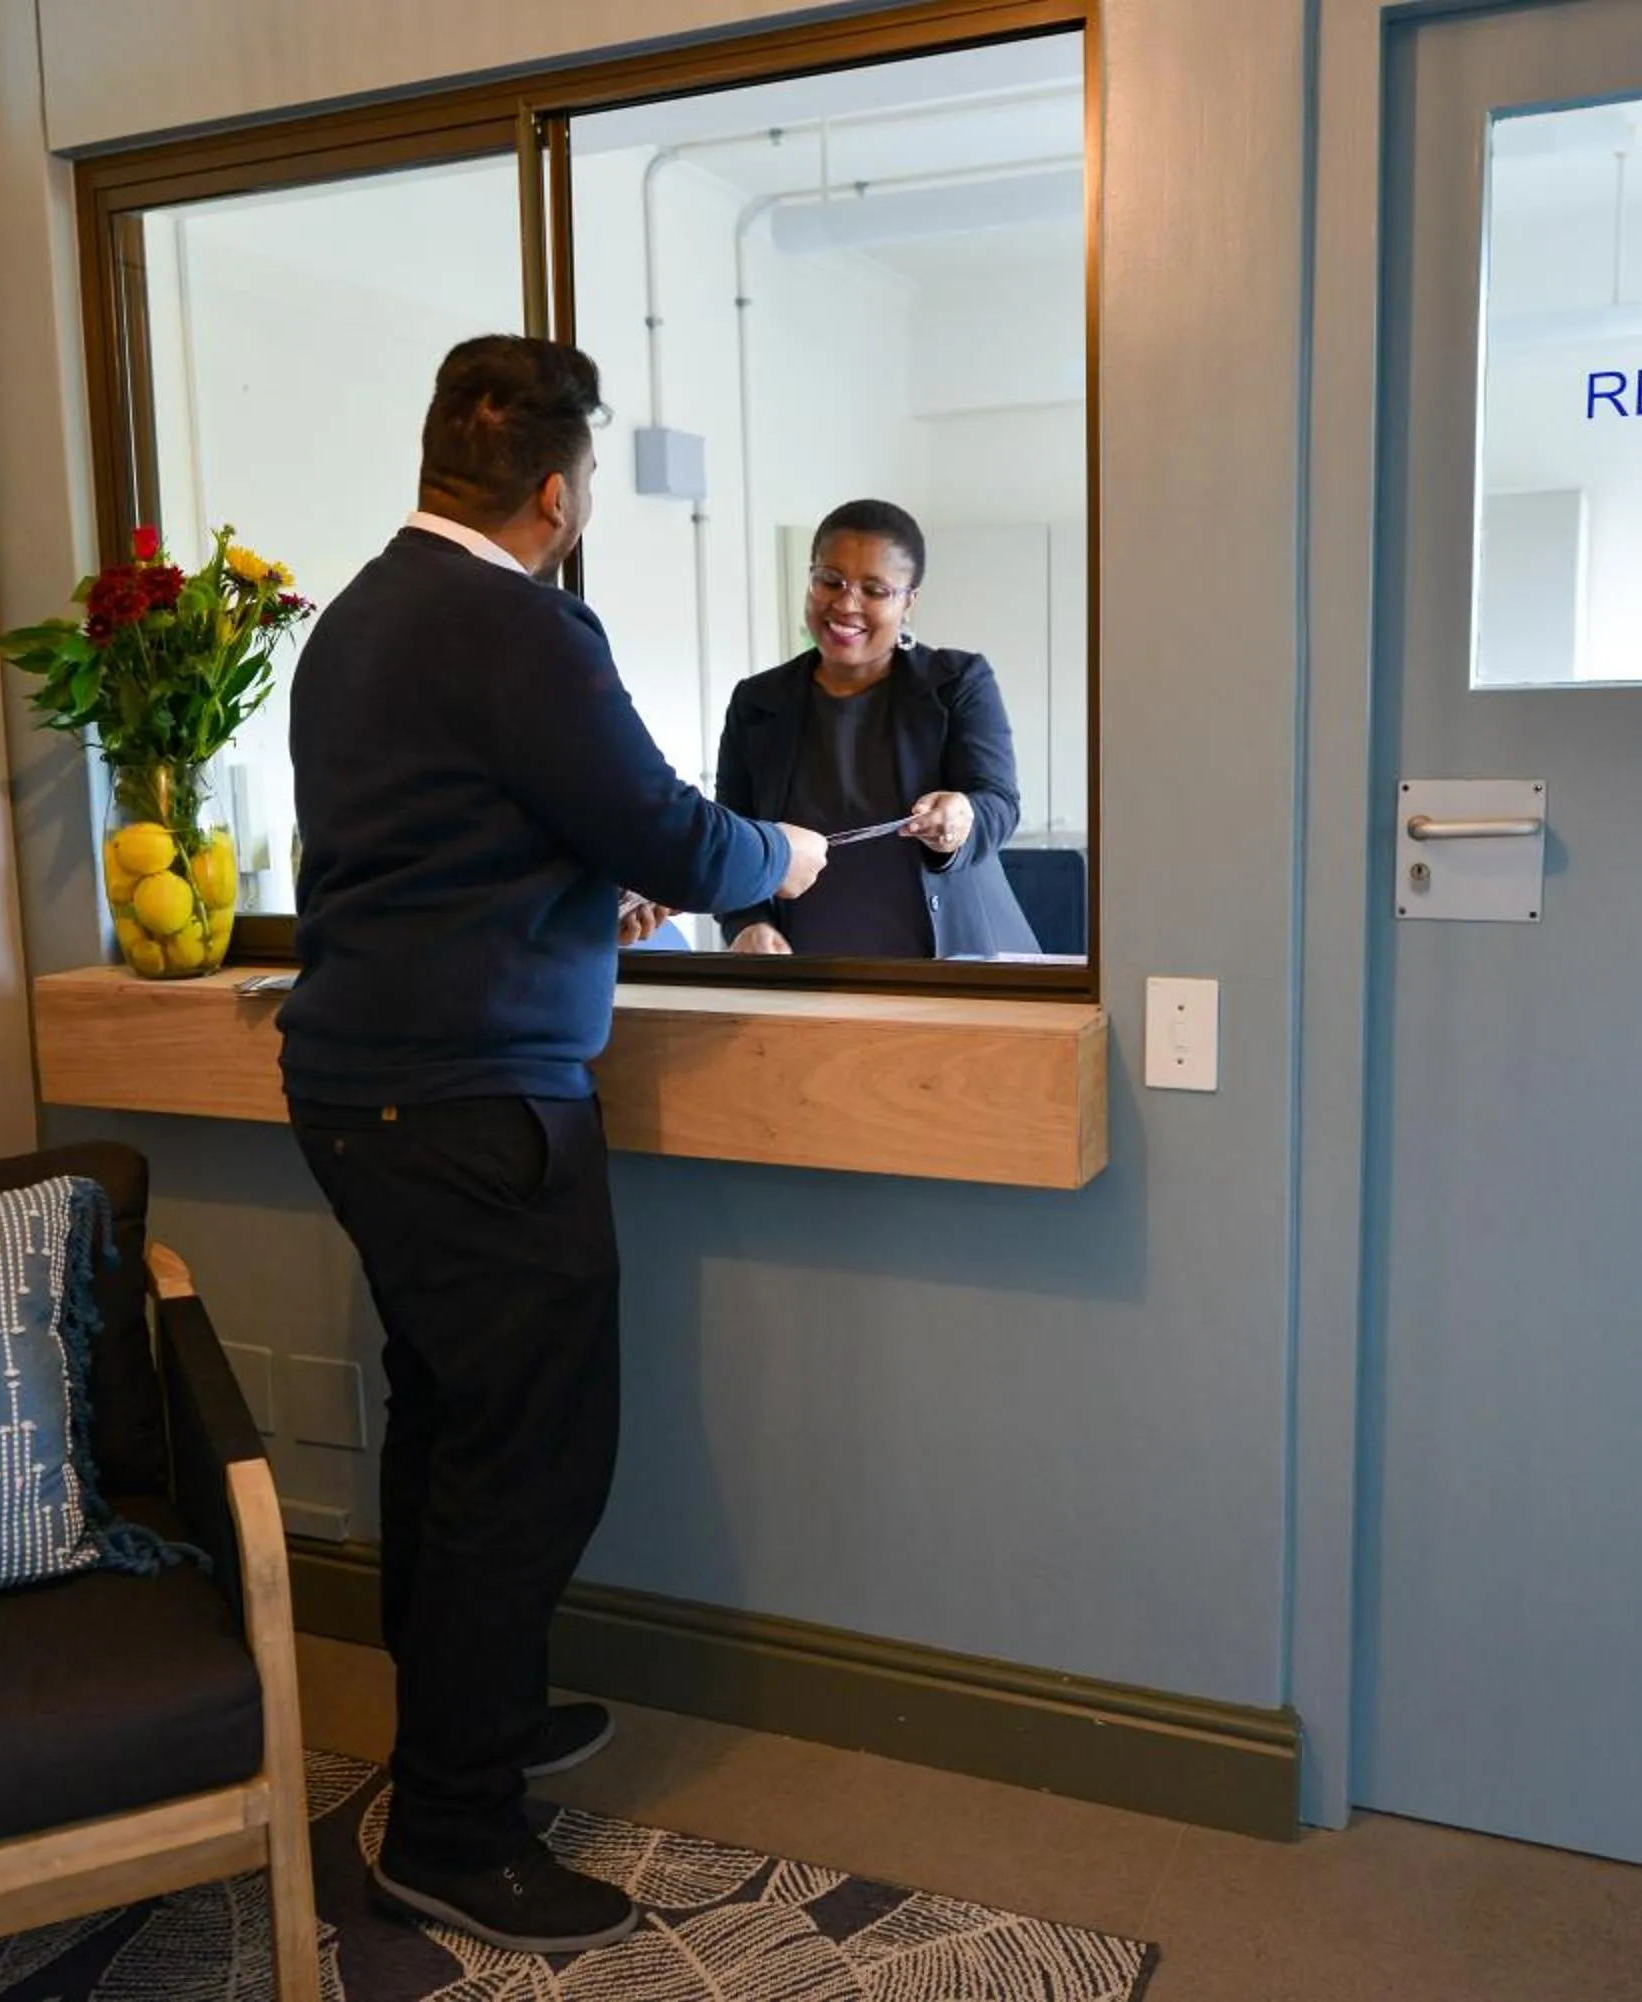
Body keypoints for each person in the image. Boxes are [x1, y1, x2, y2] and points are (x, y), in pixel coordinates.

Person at [277, 335, 828, 1954]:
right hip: (476, 1105)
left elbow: (448, 844)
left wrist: (584, 893)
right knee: (530, 1461)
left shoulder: (358, 618)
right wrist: (779, 854)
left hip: (362, 1090)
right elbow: (674, 830)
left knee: (451, 1434)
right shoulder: (522, 624)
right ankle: (454, 1827)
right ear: (558, 493)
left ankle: (477, 1717)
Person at [714, 499, 1040, 959]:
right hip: (809, 969)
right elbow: (731, 837)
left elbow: (998, 803)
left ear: (909, 602)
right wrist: (747, 922)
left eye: (875, 590)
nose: (846, 604)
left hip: (956, 966)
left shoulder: (957, 681)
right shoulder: (758, 701)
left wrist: (961, 817)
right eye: (830, 580)